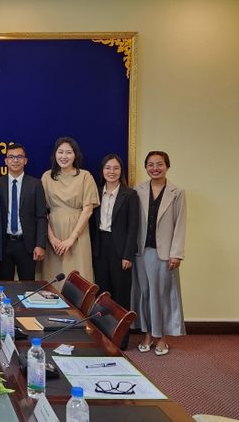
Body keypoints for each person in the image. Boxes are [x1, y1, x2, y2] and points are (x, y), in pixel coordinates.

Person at [132, 151, 186, 356]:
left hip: (164, 254)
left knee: (161, 296)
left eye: (159, 164)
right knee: (144, 294)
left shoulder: (177, 192)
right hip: (141, 252)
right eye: (151, 164)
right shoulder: (138, 190)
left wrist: (176, 253)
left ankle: (162, 337)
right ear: (146, 167)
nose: (155, 168)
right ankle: (147, 334)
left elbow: (180, 224)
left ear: (167, 166)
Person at [90, 154, 139, 348]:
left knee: (121, 294)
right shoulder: (96, 192)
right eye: (108, 168)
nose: (111, 172)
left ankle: (122, 340)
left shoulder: (130, 195)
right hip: (100, 246)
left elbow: (133, 227)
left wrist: (128, 254)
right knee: (103, 294)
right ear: (102, 170)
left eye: (116, 168)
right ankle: (103, 336)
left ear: (121, 171)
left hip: (120, 249)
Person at [41, 137, 99, 284]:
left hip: (78, 233)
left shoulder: (85, 176)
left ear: (75, 155)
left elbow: (88, 210)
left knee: (78, 276)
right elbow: (41, 211)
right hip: (53, 234)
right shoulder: (47, 177)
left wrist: (72, 238)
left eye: (68, 152)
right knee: (53, 277)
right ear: (55, 154)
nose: (64, 156)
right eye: (60, 152)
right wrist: (52, 238)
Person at [0, 143, 47, 281]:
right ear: (6, 161)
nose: (15, 160)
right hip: (4, 244)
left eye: (19, 157)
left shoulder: (35, 184)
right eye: (11, 157)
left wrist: (40, 244)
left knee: (28, 285)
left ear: (25, 160)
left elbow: (41, 216)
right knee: (4, 285)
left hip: (27, 245)